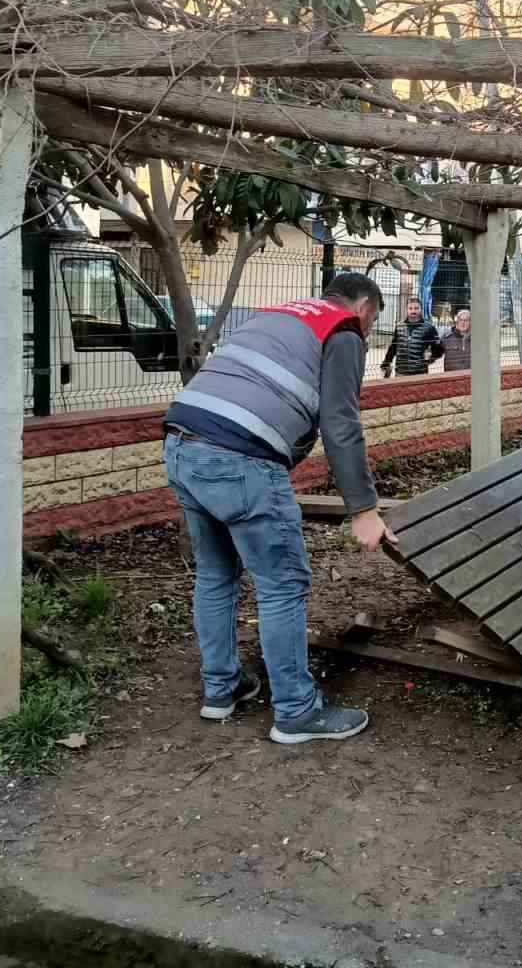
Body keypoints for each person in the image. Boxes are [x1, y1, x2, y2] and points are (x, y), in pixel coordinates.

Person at [163, 273, 395, 745]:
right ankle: (295, 711)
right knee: (283, 584)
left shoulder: (280, 314)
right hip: (238, 455)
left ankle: (220, 690)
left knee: (215, 575)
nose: (368, 332)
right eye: (373, 323)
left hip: (181, 444)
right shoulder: (344, 328)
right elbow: (340, 421)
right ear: (366, 307)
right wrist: (363, 510)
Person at [381, 298, 442, 377]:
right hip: (400, 372)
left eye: (416, 308)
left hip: (420, 373)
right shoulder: (400, 326)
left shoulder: (429, 327)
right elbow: (393, 347)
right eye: (410, 308)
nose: (413, 311)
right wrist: (386, 363)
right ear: (407, 309)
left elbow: (439, 348)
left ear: (421, 309)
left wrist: (430, 358)